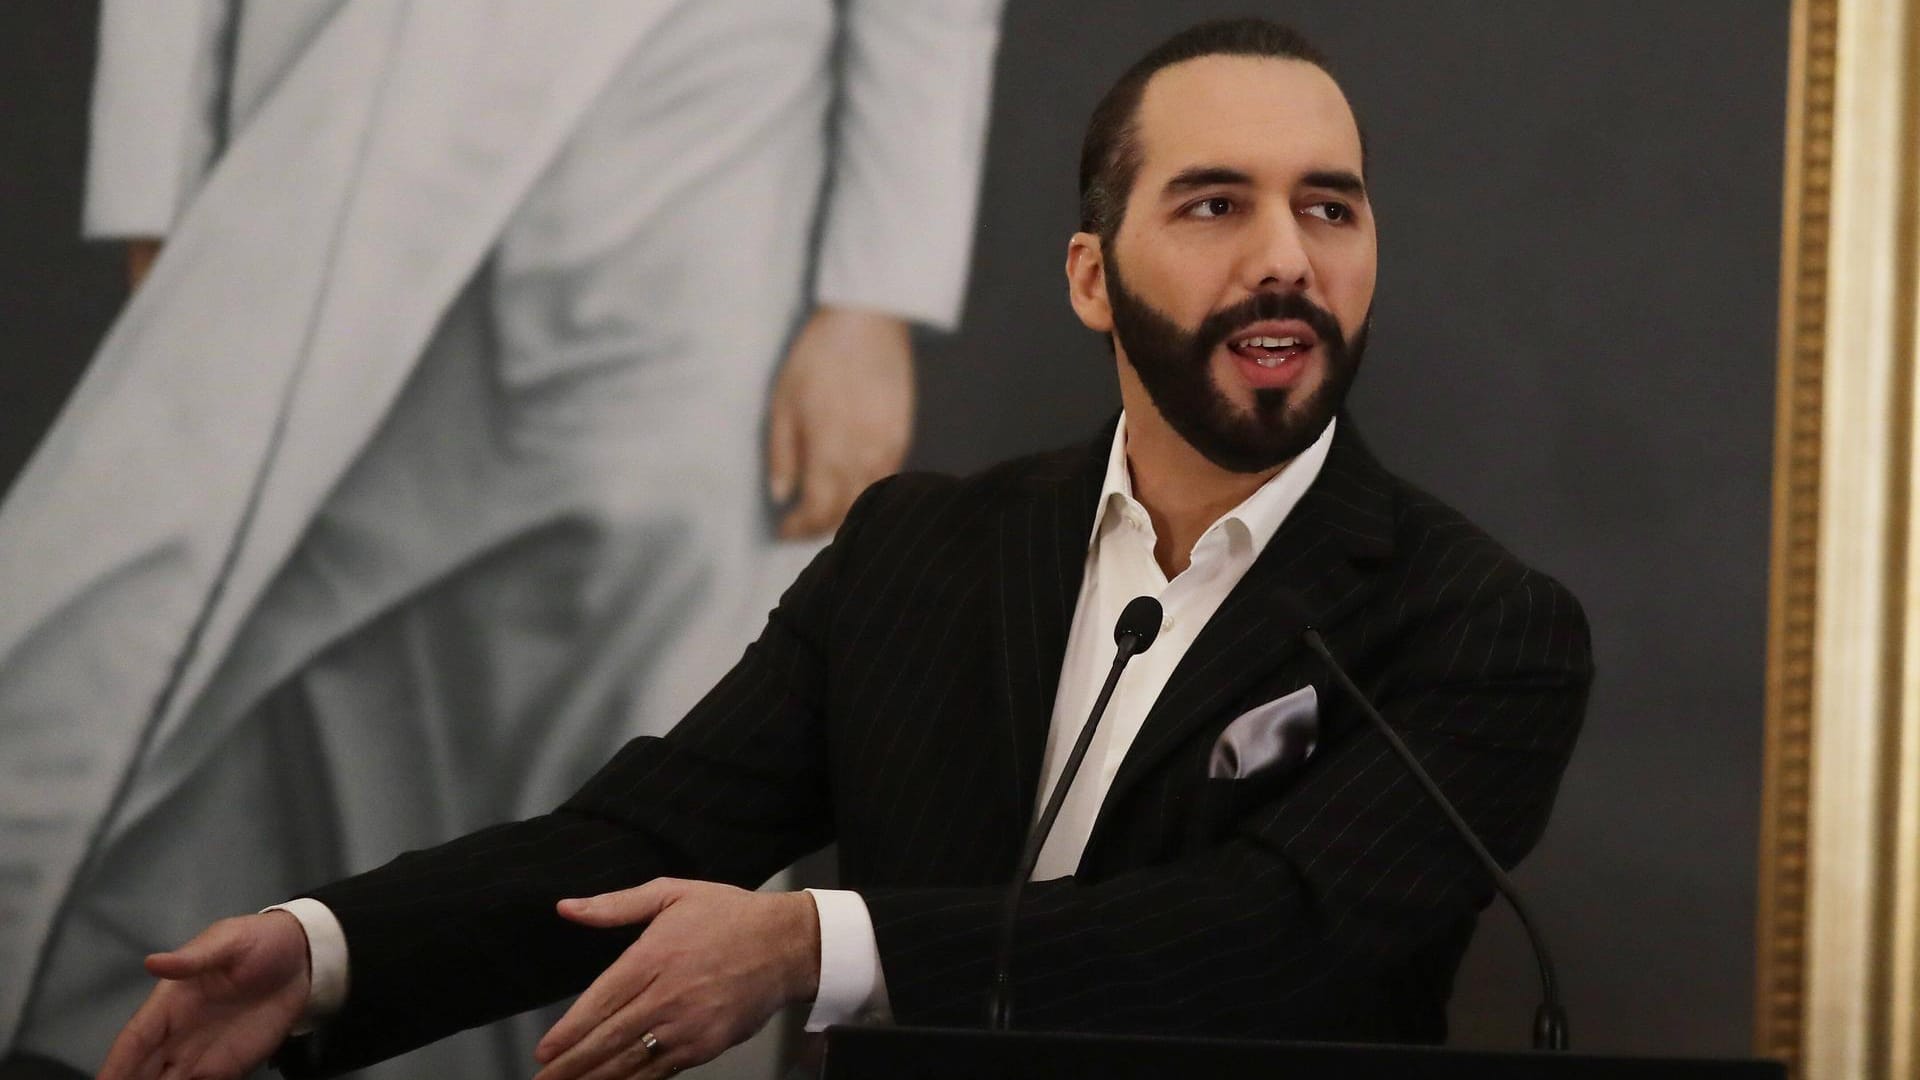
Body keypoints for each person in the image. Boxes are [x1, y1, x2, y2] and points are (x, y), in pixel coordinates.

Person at [97, 18, 1594, 1080]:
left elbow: (1277, 938)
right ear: (1091, 275)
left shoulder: (1481, 627)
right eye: (1216, 202)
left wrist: (815, 945)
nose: (1287, 253)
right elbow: (644, 845)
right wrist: (324, 952)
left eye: (1329, 206)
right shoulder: (922, 552)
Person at [0, 2, 1001, 1079]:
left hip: (707, 118)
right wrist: (156, 182)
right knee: (263, 671)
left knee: (659, 672)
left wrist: (872, 293)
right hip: (336, 107)